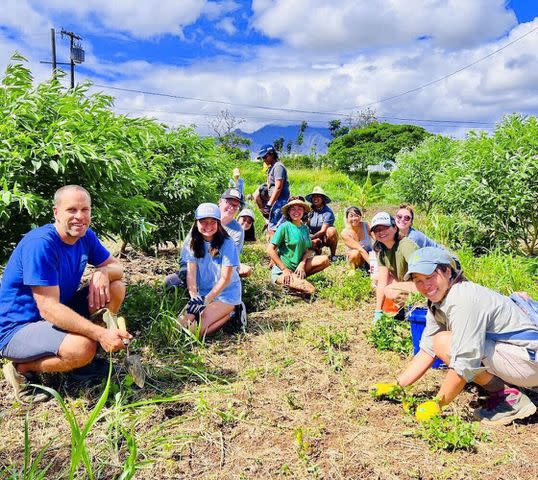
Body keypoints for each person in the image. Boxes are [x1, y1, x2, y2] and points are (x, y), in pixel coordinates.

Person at [0, 185, 130, 402]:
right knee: (83, 347)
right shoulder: (41, 244)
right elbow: (49, 309)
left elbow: (119, 268)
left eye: (85, 210)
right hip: (18, 329)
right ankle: (22, 369)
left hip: (56, 312)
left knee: (116, 287)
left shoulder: (85, 237)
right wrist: (99, 334)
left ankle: (80, 363)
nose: (79, 217)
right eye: (72, 210)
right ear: (56, 213)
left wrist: (103, 271)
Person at [394, 247, 538, 425]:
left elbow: (465, 361)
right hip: (518, 357)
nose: (425, 286)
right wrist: (397, 385)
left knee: (445, 342)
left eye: (430, 277)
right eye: (418, 281)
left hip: (530, 362)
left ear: (447, 271)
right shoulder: (437, 301)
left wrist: (438, 404)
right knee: (440, 341)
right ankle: (504, 388)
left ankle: (507, 398)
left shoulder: (463, 298)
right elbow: (427, 350)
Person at [177, 203, 244, 336]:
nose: (208, 226)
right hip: (202, 292)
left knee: (194, 331)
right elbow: (191, 273)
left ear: (218, 223)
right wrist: (194, 296)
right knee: (180, 326)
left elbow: (225, 278)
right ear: (196, 222)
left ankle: (233, 312)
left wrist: (207, 300)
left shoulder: (227, 243)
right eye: (203, 222)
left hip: (226, 294)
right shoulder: (192, 241)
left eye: (212, 222)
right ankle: (214, 311)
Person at [165, 188, 252, 289]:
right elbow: (187, 249)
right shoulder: (203, 216)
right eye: (229, 203)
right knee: (169, 282)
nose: (232, 207)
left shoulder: (238, 231)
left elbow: (229, 259)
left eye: (236, 205)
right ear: (220, 201)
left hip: (217, 270)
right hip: (195, 265)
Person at [267, 196, 329, 296]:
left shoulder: (304, 228)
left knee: (325, 260)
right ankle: (289, 283)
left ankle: (297, 278)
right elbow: (270, 249)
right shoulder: (284, 227)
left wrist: (303, 263)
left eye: (299, 209)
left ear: (304, 211)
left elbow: (308, 249)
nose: (296, 211)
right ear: (288, 212)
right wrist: (284, 269)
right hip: (283, 270)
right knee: (311, 290)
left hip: (298, 267)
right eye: (293, 209)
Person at [371, 212, 419, 322]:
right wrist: (378, 311)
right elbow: (382, 282)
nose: (381, 232)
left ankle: (416, 307)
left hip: (424, 284)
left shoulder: (405, 245)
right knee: (380, 282)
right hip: (410, 285)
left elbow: (421, 272)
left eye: (385, 227)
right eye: (377, 230)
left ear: (394, 228)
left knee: (390, 290)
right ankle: (402, 311)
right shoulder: (382, 253)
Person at [258, 144, 290, 239]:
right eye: (262, 157)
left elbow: (278, 187)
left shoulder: (278, 167)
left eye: (265, 156)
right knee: (274, 228)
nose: (264, 159)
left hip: (280, 202)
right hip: (275, 201)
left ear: (272, 154)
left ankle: (274, 252)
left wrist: (269, 205)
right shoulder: (272, 167)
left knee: (275, 229)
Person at [305, 186, 338, 261]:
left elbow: (323, 231)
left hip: (324, 237)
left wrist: (310, 239)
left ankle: (333, 255)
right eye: (314, 196)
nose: (315, 198)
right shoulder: (309, 210)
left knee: (332, 231)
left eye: (318, 196)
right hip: (312, 236)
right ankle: (317, 250)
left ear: (323, 198)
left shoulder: (328, 212)